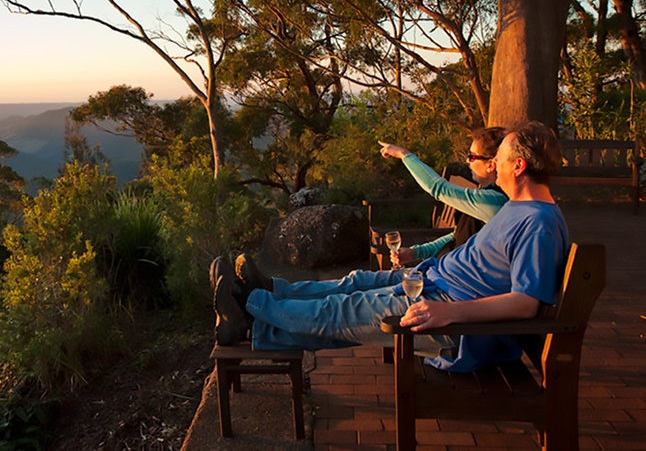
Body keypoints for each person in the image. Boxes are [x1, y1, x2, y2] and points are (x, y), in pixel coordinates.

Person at [213, 121, 569, 372]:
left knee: (344, 310)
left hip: (450, 317)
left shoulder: (537, 224)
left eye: (500, 159)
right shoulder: (516, 208)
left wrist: (449, 313)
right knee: (354, 284)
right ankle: (261, 305)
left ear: (518, 166)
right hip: (433, 284)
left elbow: (526, 302)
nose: (494, 166)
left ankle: (248, 304)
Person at [378, 127, 508, 266]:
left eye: (472, 156)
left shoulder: (495, 202)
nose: (467, 160)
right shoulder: (490, 195)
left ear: (490, 164)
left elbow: (438, 188)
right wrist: (415, 253)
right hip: (442, 270)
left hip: (449, 280)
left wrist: (403, 154)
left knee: (358, 280)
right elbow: (457, 236)